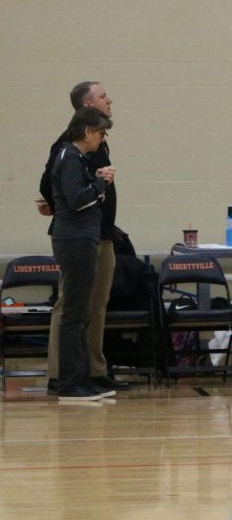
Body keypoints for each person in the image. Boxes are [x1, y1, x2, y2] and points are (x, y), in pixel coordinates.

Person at [38, 81, 129, 393]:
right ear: (88, 107)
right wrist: (58, 204)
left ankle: (92, 370)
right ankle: (62, 373)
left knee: (96, 304)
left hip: (99, 232)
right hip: (77, 235)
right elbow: (49, 181)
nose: (110, 99)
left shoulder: (98, 142)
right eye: (104, 96)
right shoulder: (68, 145)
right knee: (71, 305)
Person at [50, 107, 117, 401]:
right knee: (74, 315)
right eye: (101, 133)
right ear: (88, 132)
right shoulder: (69, 157)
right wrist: (101, 184)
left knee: (80, 314)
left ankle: (80, 380)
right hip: (75, 239)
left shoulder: (77, 159)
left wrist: (96, 181)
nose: (102, 139)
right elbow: (77, 200)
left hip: (81, 238)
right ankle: (70, 383)